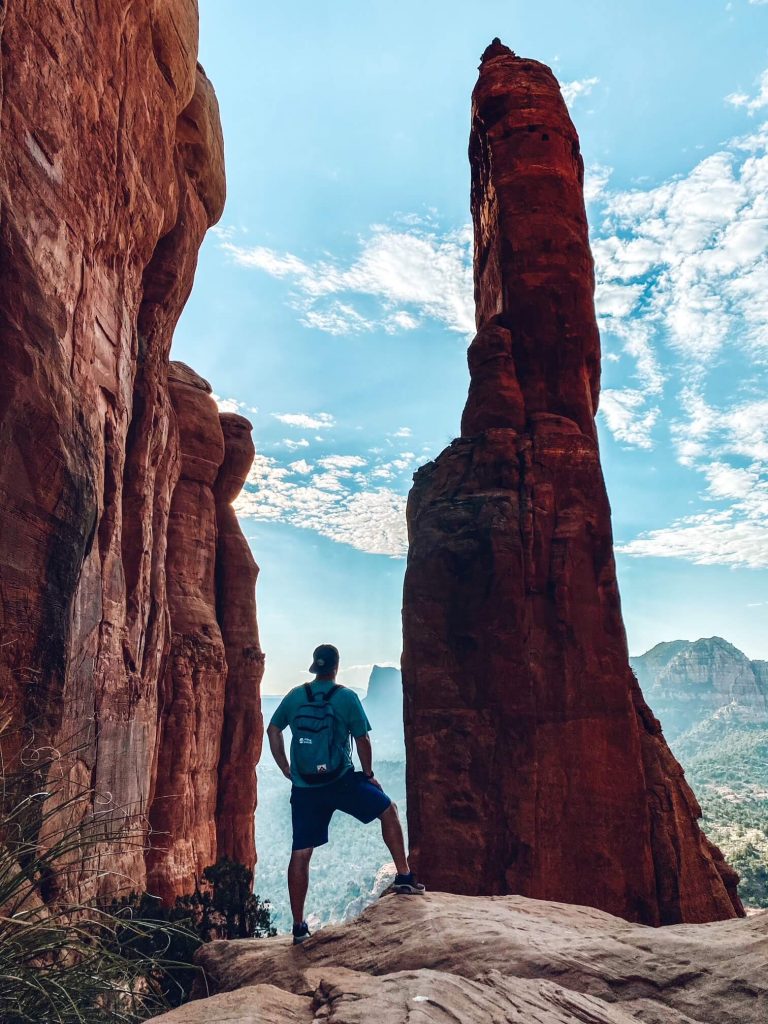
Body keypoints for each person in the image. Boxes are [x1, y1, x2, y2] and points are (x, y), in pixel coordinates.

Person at [266, 643, 424, 944]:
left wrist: (286, 768)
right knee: (388, 810)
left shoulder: (296, 695)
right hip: (341, 781)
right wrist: (368, 775)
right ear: (336, 668)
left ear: (314, 667)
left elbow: (273, 730)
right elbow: (362, 739)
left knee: (301, 853)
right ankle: (404, 877)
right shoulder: (346, 697)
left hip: (305, 788)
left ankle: (298, 928)